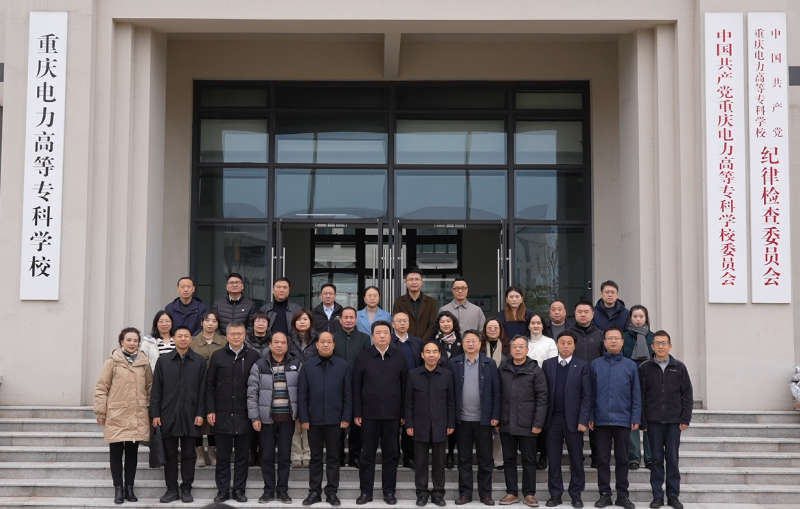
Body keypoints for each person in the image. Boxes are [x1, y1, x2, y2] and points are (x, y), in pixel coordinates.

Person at [94, 327, 153, 505]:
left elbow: (150, 388)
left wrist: (152, 411)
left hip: (138, 413)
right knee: (116, 452)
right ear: (121, 342)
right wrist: (100, 411)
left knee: (132, 453)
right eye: (128, 340)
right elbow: (101, 387)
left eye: (135, 340)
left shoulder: (144, 362)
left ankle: (129, 487)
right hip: (117, 413)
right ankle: (118, 489)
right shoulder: (112, 362)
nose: (132, 343)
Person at [353, 320, 408, 505]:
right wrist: (357, 412)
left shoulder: (400, 357)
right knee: (367, 455)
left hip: (393, 415)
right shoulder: (362, 357)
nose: (382, 335)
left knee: (391, 455)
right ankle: (366, 492)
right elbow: (356, 387)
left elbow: (405, 387)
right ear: (372, 336)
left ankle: (389, 492)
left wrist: (403, 413)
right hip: (368, 415)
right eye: (378, 332)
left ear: (390, 336)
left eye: (385, 332)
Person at [150, 326, 207, 504]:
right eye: (179, 336)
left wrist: (200, 413)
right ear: (174, 338)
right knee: (170, 454)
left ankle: (187, 488)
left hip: (191, 414)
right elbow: (156, 389)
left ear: (191, 339)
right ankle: (172, 489)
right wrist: (155, 413)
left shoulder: (199, 361)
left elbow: (203, 390)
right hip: (168, 413)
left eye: (186, 336)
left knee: (189, 454)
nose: (183, 339)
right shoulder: (163, 360)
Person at [207, 321, 260, 503]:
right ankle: (222, 490)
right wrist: (210, 409)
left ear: (245, 335)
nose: (236, 337)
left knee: (242, 457)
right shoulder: (218, 356)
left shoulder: (253, 356)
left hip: (244, 414)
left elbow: (257, 386)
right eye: (233, 334)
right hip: (221, 414)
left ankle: (239, 490)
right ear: (227, 336)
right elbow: (210, 385)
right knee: (222, 457)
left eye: (239, 333)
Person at [639, 331, 693, 509]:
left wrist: (685, 418)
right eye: (657, 343)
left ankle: (673, 495)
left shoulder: (679, 367)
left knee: (672, 459)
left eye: (664, 343)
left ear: (670, 346)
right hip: (653, 422)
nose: (660, 346)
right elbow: (641, 396)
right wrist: (643, 421)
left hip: (674, 422)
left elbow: (688, 394)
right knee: (655, 460)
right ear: (652, 346)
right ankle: (657, 496)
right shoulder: (645, 368)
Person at [298, 331, 353, 507]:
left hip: (335, 420)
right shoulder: (307, 366)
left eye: (329, 341)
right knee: (315, 458)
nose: (326, 344)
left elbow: (348, 394)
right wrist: (304, 417)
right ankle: (314, 492)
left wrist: (346, 416)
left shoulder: (342, 366)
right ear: (317, 344)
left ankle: (331, 492)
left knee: (333, 457)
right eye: (322, 341)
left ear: (334, 345)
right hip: (313, 420)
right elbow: (302, 394)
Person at [247, 332, 302, 504]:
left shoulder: (296, 364)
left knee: (285, 457)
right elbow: (252, 393)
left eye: (283, 343)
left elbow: (303, 392)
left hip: (287, 419)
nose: (279, 345)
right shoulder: (260, 365)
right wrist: (255, 417)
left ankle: (283, 490)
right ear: (270, 345)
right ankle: (268, 491)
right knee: (267, 456)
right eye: (276, 342)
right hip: (266, 420)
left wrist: (300, 415)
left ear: (287, 345)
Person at [589, 327, 641, 509]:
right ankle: (604, 494)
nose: (613, 341)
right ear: (604, 342)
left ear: (622, 342)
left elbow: (636, 394)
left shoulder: (630, 365)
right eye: (609, 338)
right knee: (602, 459)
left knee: (622, 459)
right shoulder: (595, 365)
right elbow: (590, 394)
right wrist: (591, 415)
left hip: (623, 419)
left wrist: (635, 417)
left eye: (616, 338)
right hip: (601, 419)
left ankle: (622, 495)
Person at [450, 330, 501, 506]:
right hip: (462, 420)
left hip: (483, 421)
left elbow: (496, 391)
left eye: (474, 341)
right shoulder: (453, 363)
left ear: (480, 344)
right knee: (463, 459)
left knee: (485, 459)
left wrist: (495, 415)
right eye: (467, 341)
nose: (471, 344)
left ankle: (485, 494)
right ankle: (465, 493)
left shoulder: (489, 363)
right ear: (463, 344)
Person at [542, 331, 591, 509]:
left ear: (574, 346)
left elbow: (587, 396)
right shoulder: (548, 365)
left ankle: (576, 494)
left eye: (569, 343)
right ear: (557, 344)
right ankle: (555, 494)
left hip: (574, 420)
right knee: (553, 459)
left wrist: (583, 419)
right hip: (552, 420)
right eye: (562, 342)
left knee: (576, 459)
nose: (565, 346)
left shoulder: (582, 366)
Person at [498, 335, 548, 508]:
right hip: (506, 422)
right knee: (509, 460)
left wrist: (538, 423)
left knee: (529, 460)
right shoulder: (503, 369)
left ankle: (529, 494)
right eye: (514, 347)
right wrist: (497, 420)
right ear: (510, 349)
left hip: (528, 424)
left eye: (521, 346)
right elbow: (497, 395)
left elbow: (542, 398)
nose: (518, 349)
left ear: (527, 349)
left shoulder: (535, 370)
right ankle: (512, 492)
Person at [405, 341, 455, 507]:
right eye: (428, 352)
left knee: (439, 462)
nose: (431, 355)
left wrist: (450, 423)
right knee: (420, 462)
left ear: (439, 355)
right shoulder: (413, 374)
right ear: (422, 355)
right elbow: (408, 402)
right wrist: (409, 424)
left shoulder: (447, 375)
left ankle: (438, 493)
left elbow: (451, 402)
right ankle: (422, 493)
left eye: (434, 352)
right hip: (420, 424)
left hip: (441, 424)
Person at [333, 307, 371, 468]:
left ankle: (355, 455)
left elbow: (367, 362)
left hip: (358, 385)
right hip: (336, 385)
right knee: (338, 422)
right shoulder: (333, 337)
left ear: (356, 320)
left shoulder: (364, 338)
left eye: (351, 317)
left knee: (357, 423)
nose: (348, 320)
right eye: (346, 317)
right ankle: (339, 456)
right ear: (340, 320)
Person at [567, 301, 604, 468]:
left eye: (586, 312)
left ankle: (596, 457)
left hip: (596, 383)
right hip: (573, 383)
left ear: (592, 314)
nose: (583, 314)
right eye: (579, 311)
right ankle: (577, 458)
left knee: (595, 421)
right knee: (576, 421)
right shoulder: (569, 334)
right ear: (575, 313)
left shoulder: (600, 334)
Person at [191, 311, 228, 468]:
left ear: (218, 324)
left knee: (213, 420)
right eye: (207, 320)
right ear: (202, 323)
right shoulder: (192, 342)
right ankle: (200, 452)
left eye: (214, 321)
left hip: (217, 387)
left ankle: (212, 452)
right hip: (196, 386)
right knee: (197, 419)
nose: (210, 323)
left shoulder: (224, 342)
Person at [622, 305, 655, 471]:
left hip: (650, 384)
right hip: (629, 382)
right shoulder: (624, 337)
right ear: (630, 318)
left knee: (650, 421)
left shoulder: (653, 337)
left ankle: (650, 458)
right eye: (635, 316)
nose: (638, 319)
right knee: (632, 421)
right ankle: (633, 457)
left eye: (641, 316)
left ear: (646, 318)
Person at [390, 311, 424, 469]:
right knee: (393, 425)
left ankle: (409, 457)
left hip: (413, 388)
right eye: (399, 321)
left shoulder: (417, 342)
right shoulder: (388, 341)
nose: (402, 323)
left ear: (409, 324)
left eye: (405, 321)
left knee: (410, 423)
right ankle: (394, 456)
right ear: (393, 324)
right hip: (393, 388)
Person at [430, 310, 463, 469]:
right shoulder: (433, 342)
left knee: (453, 419)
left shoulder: (461, 342)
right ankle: (439, 454)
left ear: (453, 323)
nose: (445, 324)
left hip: (458, 384)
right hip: (438, 385)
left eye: (448, 321)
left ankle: (450, 453)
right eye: (442, 321)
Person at [527, 312, 559, 471]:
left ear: (543, 325)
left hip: (545, 385)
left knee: (544, 423)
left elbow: (552, 364)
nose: (536, 326)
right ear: (528, 325)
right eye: (533, 323)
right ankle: (530, 456)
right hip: (526, 387)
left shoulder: (550, 342)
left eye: (539, 323)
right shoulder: (523, 341)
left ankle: (543, 457)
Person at [289, 309, 319, 467]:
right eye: (299, 319)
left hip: (312, 382)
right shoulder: (288, 339)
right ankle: (295, 454)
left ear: (310, 322)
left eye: (305, 319)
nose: (302, 322)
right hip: (292, 381)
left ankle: (307, 453)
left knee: (308, 418)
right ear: (294, 322)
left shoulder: (317, 339)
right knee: (294, 418)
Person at [481, 318, 510, 470]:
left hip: (502, 390)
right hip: (483, 391)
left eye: (496, 327)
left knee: (499, 429)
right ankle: (485, 458)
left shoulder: (507, 348)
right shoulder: (480, 347)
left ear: (500, 330)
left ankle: (498, 460)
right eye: (489, 327)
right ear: (485, 330)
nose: (492, 330)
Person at [393, 268, 438, 340]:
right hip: (405, 342)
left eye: (417, 279)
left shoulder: (430, 302)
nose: (414, 282)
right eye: (411, 279)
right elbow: (397, 323)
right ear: (405, 282)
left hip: (426, 343)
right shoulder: (399, 302)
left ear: (421, 282)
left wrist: (421, 342)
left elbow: (433, 325)